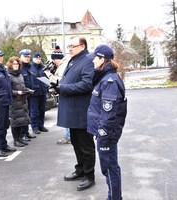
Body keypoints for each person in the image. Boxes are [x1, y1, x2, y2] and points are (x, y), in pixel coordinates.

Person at [50, 36, 96, 191]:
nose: (69, 49)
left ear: (82, 46)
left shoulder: (88, 60)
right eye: (68, 46)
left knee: (86, 145)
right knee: (76, 143)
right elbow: (70, 80)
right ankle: (80, 169)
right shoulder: (73, 59)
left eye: (72, 46)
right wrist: (57, 85)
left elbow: (86, 84)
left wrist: (62, 88)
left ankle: (89, 176)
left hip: (81, 111)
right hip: (72, 110)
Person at [87, 45, 127, 200]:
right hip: (104, 131)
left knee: (110, 168)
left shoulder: (109, 81)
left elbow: (109, 113)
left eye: (95, 59)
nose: (93, 62)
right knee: (109, 167)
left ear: (102, 59)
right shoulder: (104, 78)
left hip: (106, 133)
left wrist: (102, 133)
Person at [6, 56, 33, 147]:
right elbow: (8, 90)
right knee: (15, 122)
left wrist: (28, 90)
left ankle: (20, 138)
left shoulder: (20, 75)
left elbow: (22, 86)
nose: (16, 65)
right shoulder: (8, 76)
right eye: (14, 64)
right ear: (10, 65)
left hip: (22, 101)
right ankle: (16, 140)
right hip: (14, 102)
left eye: (17, 63)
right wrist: (17, 92)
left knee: (22, 121)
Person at [47, 46, 71, 145]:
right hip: (66, 92)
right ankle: (69, 135)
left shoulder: (62, 66)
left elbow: (58, 81)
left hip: (64, 93)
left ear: (56, 59)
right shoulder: (66, 63)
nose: (54, 62)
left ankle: (69, 136)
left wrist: (49, 76)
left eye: (54, 60)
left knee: (68, 116)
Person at [19, 49, 37, 141]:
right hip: (22, 95)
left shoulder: (29, 67)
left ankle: (26, 132)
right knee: (22, 115)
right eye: (25, 56)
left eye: (28, 56)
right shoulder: (20, 67)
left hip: (30, 94)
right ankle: (22, 134)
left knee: (27, 114)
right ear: (20, 57)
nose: (27, 58)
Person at [30, 53, 49, 134]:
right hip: (34, 94)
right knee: (34, 111)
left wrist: (47, 87)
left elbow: (47, 79)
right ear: (33, 59)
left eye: (39, 59)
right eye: (37, 59)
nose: (38, 60)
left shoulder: (43, 68)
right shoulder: (30, 68)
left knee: (42, 110)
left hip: (43, 92)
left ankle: (41, 125)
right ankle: (34, 127)